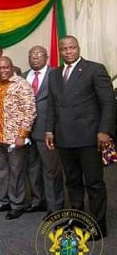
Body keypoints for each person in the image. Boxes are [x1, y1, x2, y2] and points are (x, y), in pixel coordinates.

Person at [46, 36, 115, 238]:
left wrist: (105, 131)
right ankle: (77, 220)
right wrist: (49, 130)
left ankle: (98, 226)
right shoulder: (55, 75)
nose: (68, 51)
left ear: (78, 48)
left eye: (72, 48)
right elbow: (51, 105)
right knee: (73, 182)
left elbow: (108, 103)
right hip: (64, 138)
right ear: (60, 51)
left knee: (94, 183)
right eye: (64, 49)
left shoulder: (95, 69)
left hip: (89, 137)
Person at [0, 56, 36, 220]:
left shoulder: (21, 85)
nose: (2, 71)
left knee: (16, 172)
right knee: (1, 172)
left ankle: (16, 204)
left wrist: (22, 135)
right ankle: (4, 201)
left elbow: (30, 112)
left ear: (12, 67)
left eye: (5, 67)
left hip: (15, 138)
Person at [22, 46, 64, 217]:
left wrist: (53, 129)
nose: (35, 58)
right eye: (32, 55)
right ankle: (38, 200)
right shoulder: (23, 76)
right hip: (26, 131)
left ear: (47, 57)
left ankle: (55, 206)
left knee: (50, 169)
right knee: (32, 168)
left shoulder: (56, 74)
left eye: (39, 55)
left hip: (47, 130)